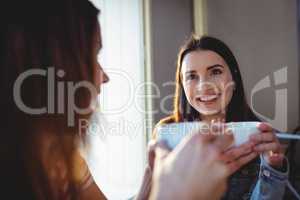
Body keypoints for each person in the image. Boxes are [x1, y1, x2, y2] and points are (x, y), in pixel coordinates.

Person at [0, 0, 236, 199]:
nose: (104, 77)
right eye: (93, 55)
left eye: (215, 71)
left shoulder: (64, 161)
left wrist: (148, 191)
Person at [145, 35, 289, 200]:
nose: (204, 86)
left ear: (233, 79)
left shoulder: (265, 139)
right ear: (182, 85)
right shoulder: (166, 135)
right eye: (192, 76)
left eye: (215, 72)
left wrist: (272, 169)